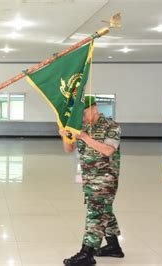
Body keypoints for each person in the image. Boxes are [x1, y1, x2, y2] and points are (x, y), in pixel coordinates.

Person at [59, 96, 124, 266]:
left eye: (83, 112)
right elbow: (69, 149)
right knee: (104, 209)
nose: (81, 116)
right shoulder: (81, 126)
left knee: (95, 213)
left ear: (94, 108)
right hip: (89, 177)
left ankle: (86, 253)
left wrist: (86, 137)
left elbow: (109, 150)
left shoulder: (111, 126)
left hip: (106, 177)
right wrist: (65, 137)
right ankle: (113, 247)